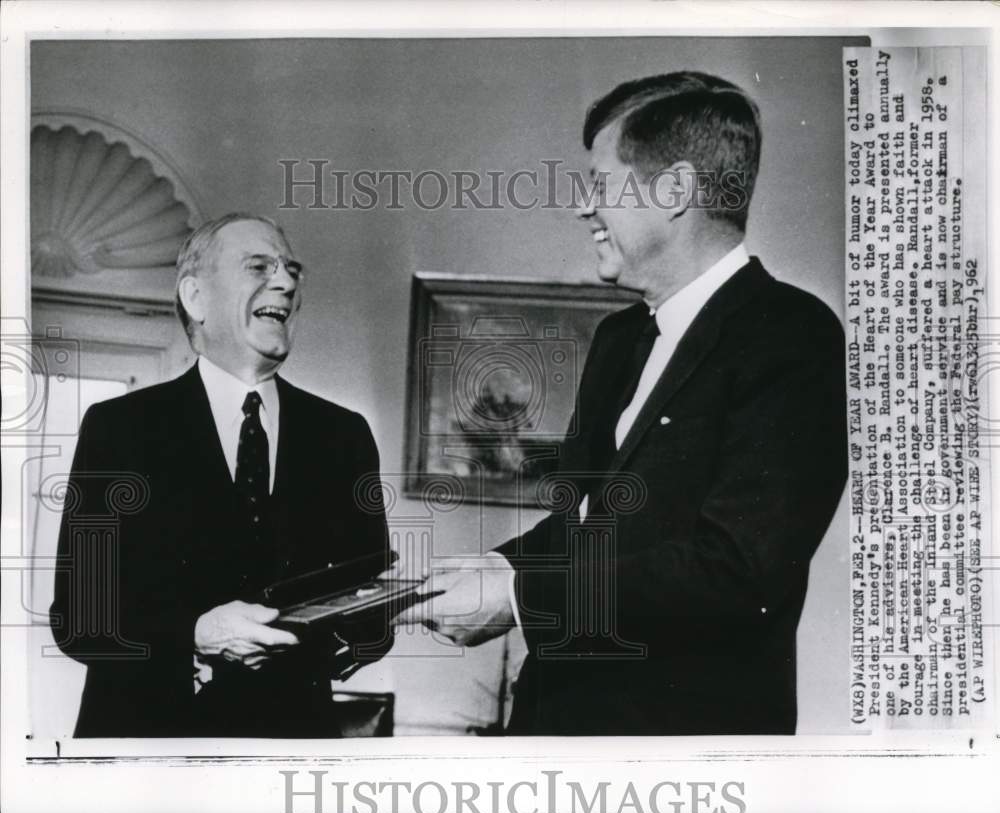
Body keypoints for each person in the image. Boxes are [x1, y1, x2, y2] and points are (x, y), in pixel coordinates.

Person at [395, 72, 848, 735]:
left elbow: (737, 572)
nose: (585, 207)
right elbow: (580, 522)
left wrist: (518, 598)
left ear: (675, 191)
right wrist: (498, 565)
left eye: (601, 184)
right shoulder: (618, 337)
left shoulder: (792, 337)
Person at [50, 213, 391, 737]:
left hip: (288, 763)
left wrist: (336, 637)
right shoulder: (120, 429)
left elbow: (370, 620)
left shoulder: (344, 437)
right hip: (147, 763)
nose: (286, 281)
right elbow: (79, 619)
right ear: (196, 297)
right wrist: (196, 634)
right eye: (259, 266)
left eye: (291, 269)